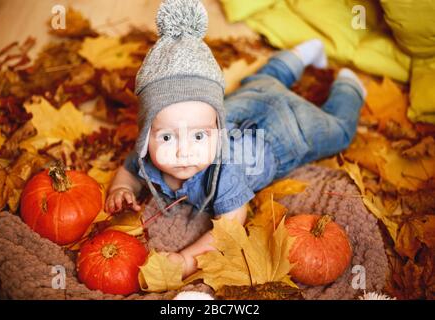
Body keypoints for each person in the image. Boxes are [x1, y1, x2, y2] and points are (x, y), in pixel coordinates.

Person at [105, 0, 366, 278]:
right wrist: (121, 189)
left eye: (198, 136)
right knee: (262, 80)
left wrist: (187, 259)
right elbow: (129, 172)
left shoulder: (225, 173)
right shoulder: (145, 155)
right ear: (145, 135)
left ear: (217, 129)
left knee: (338, 132)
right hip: (245, 103)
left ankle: (350, 86)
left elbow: (230, 225)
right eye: (168, 136)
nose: (184, 151)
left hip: (286, 131)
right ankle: (302, 53)